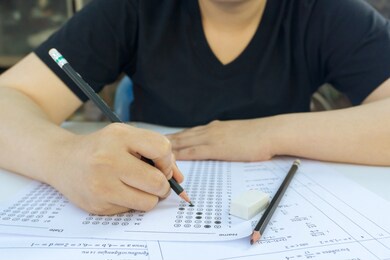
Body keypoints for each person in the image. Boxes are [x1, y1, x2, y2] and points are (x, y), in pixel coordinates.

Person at [0, 0, 389, 215]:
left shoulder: (328, 13)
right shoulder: (131, 9)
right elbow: (10, 97)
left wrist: (268, 133)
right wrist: (63, 157)